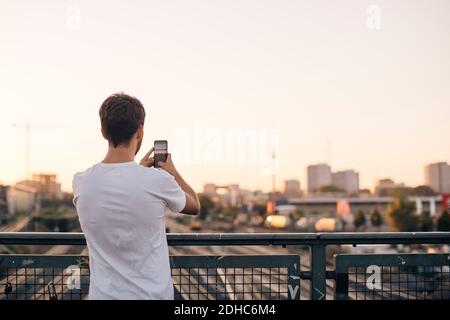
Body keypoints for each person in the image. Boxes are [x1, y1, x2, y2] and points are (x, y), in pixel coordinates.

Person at [72, 92, 200, 300]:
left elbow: (120, 188)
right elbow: (194, 205)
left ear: (103, 132)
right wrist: (173, 172)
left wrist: (136, 172)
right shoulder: (157, 180)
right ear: (139, 131)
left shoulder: (81, 181)